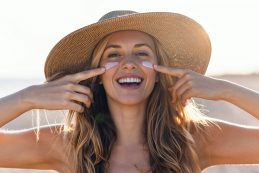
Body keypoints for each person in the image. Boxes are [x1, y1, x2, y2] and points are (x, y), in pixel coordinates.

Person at [0, 10, 258, 173]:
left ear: (159, 72)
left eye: (142, 53)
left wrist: (227, 90)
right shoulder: (68, 146)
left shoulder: (195, 139)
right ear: (97, 75)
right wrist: (27, 98)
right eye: (114, 54)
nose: (129, 63)